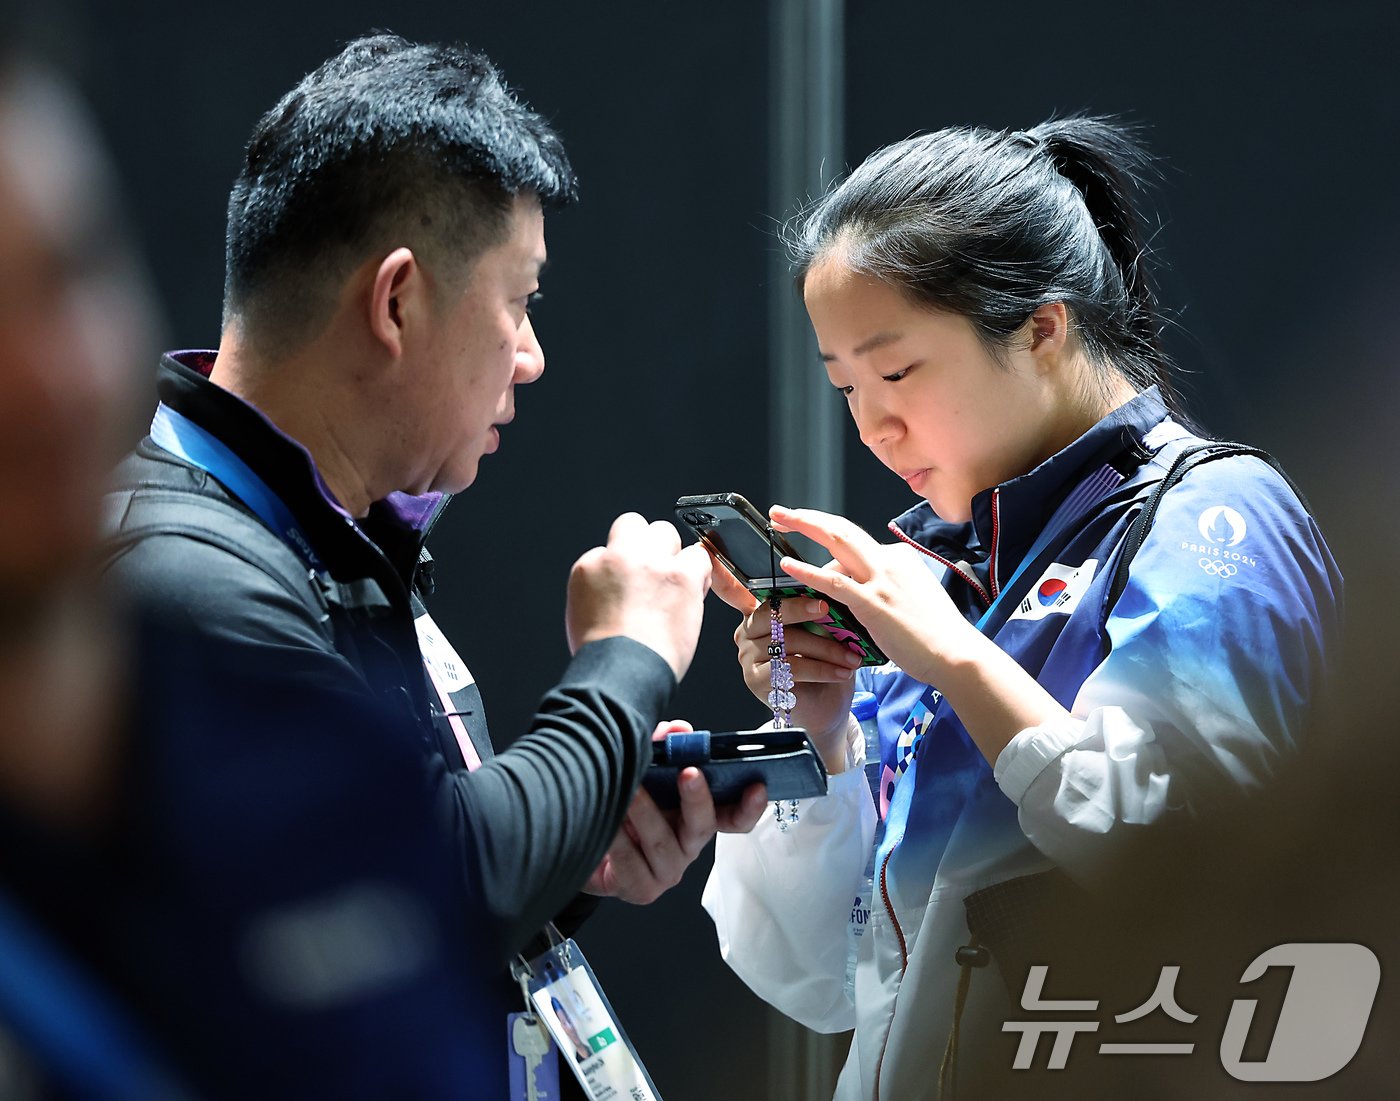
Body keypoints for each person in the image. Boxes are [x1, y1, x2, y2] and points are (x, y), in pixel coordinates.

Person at [100, 31, 762, 990]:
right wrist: (629, 659)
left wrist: (571, 846)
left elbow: (355, 920)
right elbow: (420, 879)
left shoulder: (325, 531)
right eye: (519, 302)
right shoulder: (182, 573)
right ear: (399, 301)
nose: (530, 355)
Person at [701, 118, 1342, 1099]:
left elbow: (1192, 875)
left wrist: (958, 660)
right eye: (843, 387)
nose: (872, 425)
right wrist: (816, 726)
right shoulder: (957, 572)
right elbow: (813, 975)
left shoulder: (1213, 519)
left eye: (895, 373)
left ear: (1041, 329)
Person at [0, 40, 512, 1101]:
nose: (48, 376)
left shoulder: (330, 762)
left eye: (71, 273)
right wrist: (622, 669)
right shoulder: (202, 570)